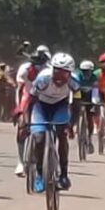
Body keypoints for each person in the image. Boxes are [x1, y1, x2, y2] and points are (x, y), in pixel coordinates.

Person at [27, 52, 78, 193]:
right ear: (52, 69)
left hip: (60, 106)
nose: (60, 77)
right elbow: (30, 100)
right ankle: (39, 174)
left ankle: (64, 175)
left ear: (70, 73)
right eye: (57, 72)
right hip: (40, 106)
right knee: (39, 139)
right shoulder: (43, 79)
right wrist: (26, 122)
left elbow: (76, 105)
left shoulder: (74, 82)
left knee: (62, 136)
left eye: (64, 73)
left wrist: (71, 124)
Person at [14, 45, 50, 177]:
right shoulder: (24, 69)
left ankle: (49, 157)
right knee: (22, 127)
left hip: (44, 99)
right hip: (28, 97)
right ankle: (20, 162)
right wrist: (19, 109)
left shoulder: (49, 70)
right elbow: (19, 89)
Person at [71, 59, 100, 153]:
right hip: (78, 94)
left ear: (91, 71)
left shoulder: (94, 77)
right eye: (84, 71)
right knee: (74, 108)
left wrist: (95, 102)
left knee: (90, 117)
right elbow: (75, 90)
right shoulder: (77, 76)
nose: (86, 73)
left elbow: (95, 91)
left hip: (89, 96)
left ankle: (89, 137)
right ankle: (73, 125)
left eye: (88, 71)